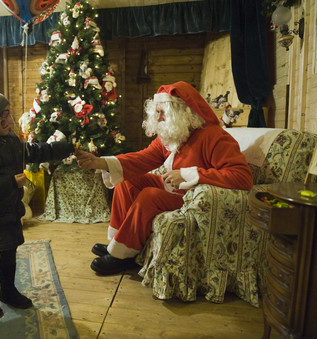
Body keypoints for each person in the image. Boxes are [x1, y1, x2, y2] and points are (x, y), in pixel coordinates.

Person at [76, 81, 253, 276]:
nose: (158, 118)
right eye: (156, 112)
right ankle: (118, 242)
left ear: (181, 113)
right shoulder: (174, 135)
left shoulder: (214, 137)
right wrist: (99, 162)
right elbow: (143, 158)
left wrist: (188, 174)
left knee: (149, 196)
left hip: (191, 197)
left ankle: (122, 257)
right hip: (173, 188)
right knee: (127, 183)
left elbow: (242, 177)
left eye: (162, 113)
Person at [0, 89, 74, 319]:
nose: (9, 120)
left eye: (8, 114)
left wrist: (66, 146)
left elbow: (35, 151)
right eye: (3, 115)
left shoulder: (8, 140)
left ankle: (8, 291)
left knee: (10, 252)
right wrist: (10, 181)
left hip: (8, 212)